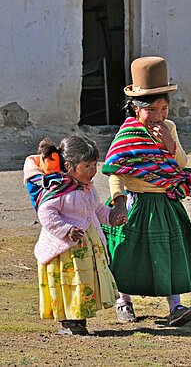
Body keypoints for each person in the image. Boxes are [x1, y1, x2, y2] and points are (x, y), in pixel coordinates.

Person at [102, 56, 191, 327]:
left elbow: (181, 163)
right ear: (136, 109)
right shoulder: (127, 135)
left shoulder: (169, 129)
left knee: (169, 252)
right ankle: (123, 301)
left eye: (164, 109)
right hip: (135, 204)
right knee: (126, 252)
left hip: (165, 203)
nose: (160, 116)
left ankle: (176, 306)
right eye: (153, 110)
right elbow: (116, 170)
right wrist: (118, 202)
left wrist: (170, 143)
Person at [23, 135, 121, 335]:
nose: (93, 171)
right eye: (87, 166)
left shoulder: (87, 188)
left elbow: (96, 209)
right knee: (69, 282)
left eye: (94, 164)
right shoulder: (58, 189)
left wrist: (112, 217)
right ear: (69, 165)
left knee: (83, 282)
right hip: (66, 250)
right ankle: (69, 321)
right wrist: (66, 230)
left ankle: (80, 318)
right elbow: (46, 213)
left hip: (86, 247)